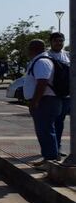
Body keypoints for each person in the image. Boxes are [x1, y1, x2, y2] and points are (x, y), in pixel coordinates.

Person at [24, 39, 61, 169]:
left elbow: (42, 83)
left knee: (45, 131)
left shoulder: (42, 62)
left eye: (29, 47)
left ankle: (50, 161)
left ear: (34, 48)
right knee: (44, 130)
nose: (27, 51)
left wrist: (35, 101)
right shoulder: (40, 61)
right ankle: (48, 158)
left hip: (46, 101)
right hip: (45, 100)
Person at [49, 32, 70, 160]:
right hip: (52, 94)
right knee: (50, 122)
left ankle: (58, 147)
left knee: (60, 122)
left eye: (61, 40)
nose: (59, 43)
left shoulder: (68, 56)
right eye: (56, 40)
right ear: (51, 42)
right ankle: (50, 149)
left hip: (66, 94)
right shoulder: (47, 56)